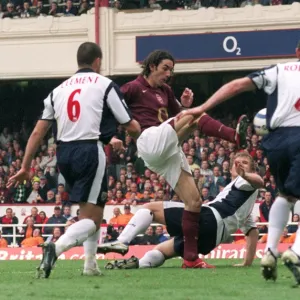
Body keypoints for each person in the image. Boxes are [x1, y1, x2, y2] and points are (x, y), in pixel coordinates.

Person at [103, 50, 249, 268]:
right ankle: (234, 136)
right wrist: (110, 136)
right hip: (149, 140)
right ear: (152, 66)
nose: (169, 73)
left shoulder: (166, 91)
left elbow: (181, 117)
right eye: (165, 68)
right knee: (196, 114)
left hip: (168, 150)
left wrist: (185, 106)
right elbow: (109, 108)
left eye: (171, 69)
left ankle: (191, 259)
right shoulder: (133, 87)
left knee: (194, 202)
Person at [7, 42, 141, 279]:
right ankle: (55, 248)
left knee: (90, 211)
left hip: (64, 155)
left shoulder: (58, 90)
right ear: (98, 61)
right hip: (90, 150)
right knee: (93, 217)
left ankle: (90, 265)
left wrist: (26, 166)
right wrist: (144, 134)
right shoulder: (105, 85)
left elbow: (38, 133)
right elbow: (129, 123)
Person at [179, 42, 300, 284]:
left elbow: (236, 85)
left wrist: (202, 107)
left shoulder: (279, 70)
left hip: (276, 141)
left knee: (286, 197)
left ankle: (270, 251)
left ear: (297, 52)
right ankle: (295, 252)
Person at [101, 152, 262, 270]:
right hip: (211, 240)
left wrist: (246, 175)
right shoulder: (244, 202)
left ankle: (122, 241)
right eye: (237, 162)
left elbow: (259, 181)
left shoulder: (245, 181)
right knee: (161, 251)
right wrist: (247, 263)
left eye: (244, 163)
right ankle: (138, 265)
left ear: (252, 170)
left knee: (149, 208)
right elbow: (252, 233)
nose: (239, 165)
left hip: (208, 219)